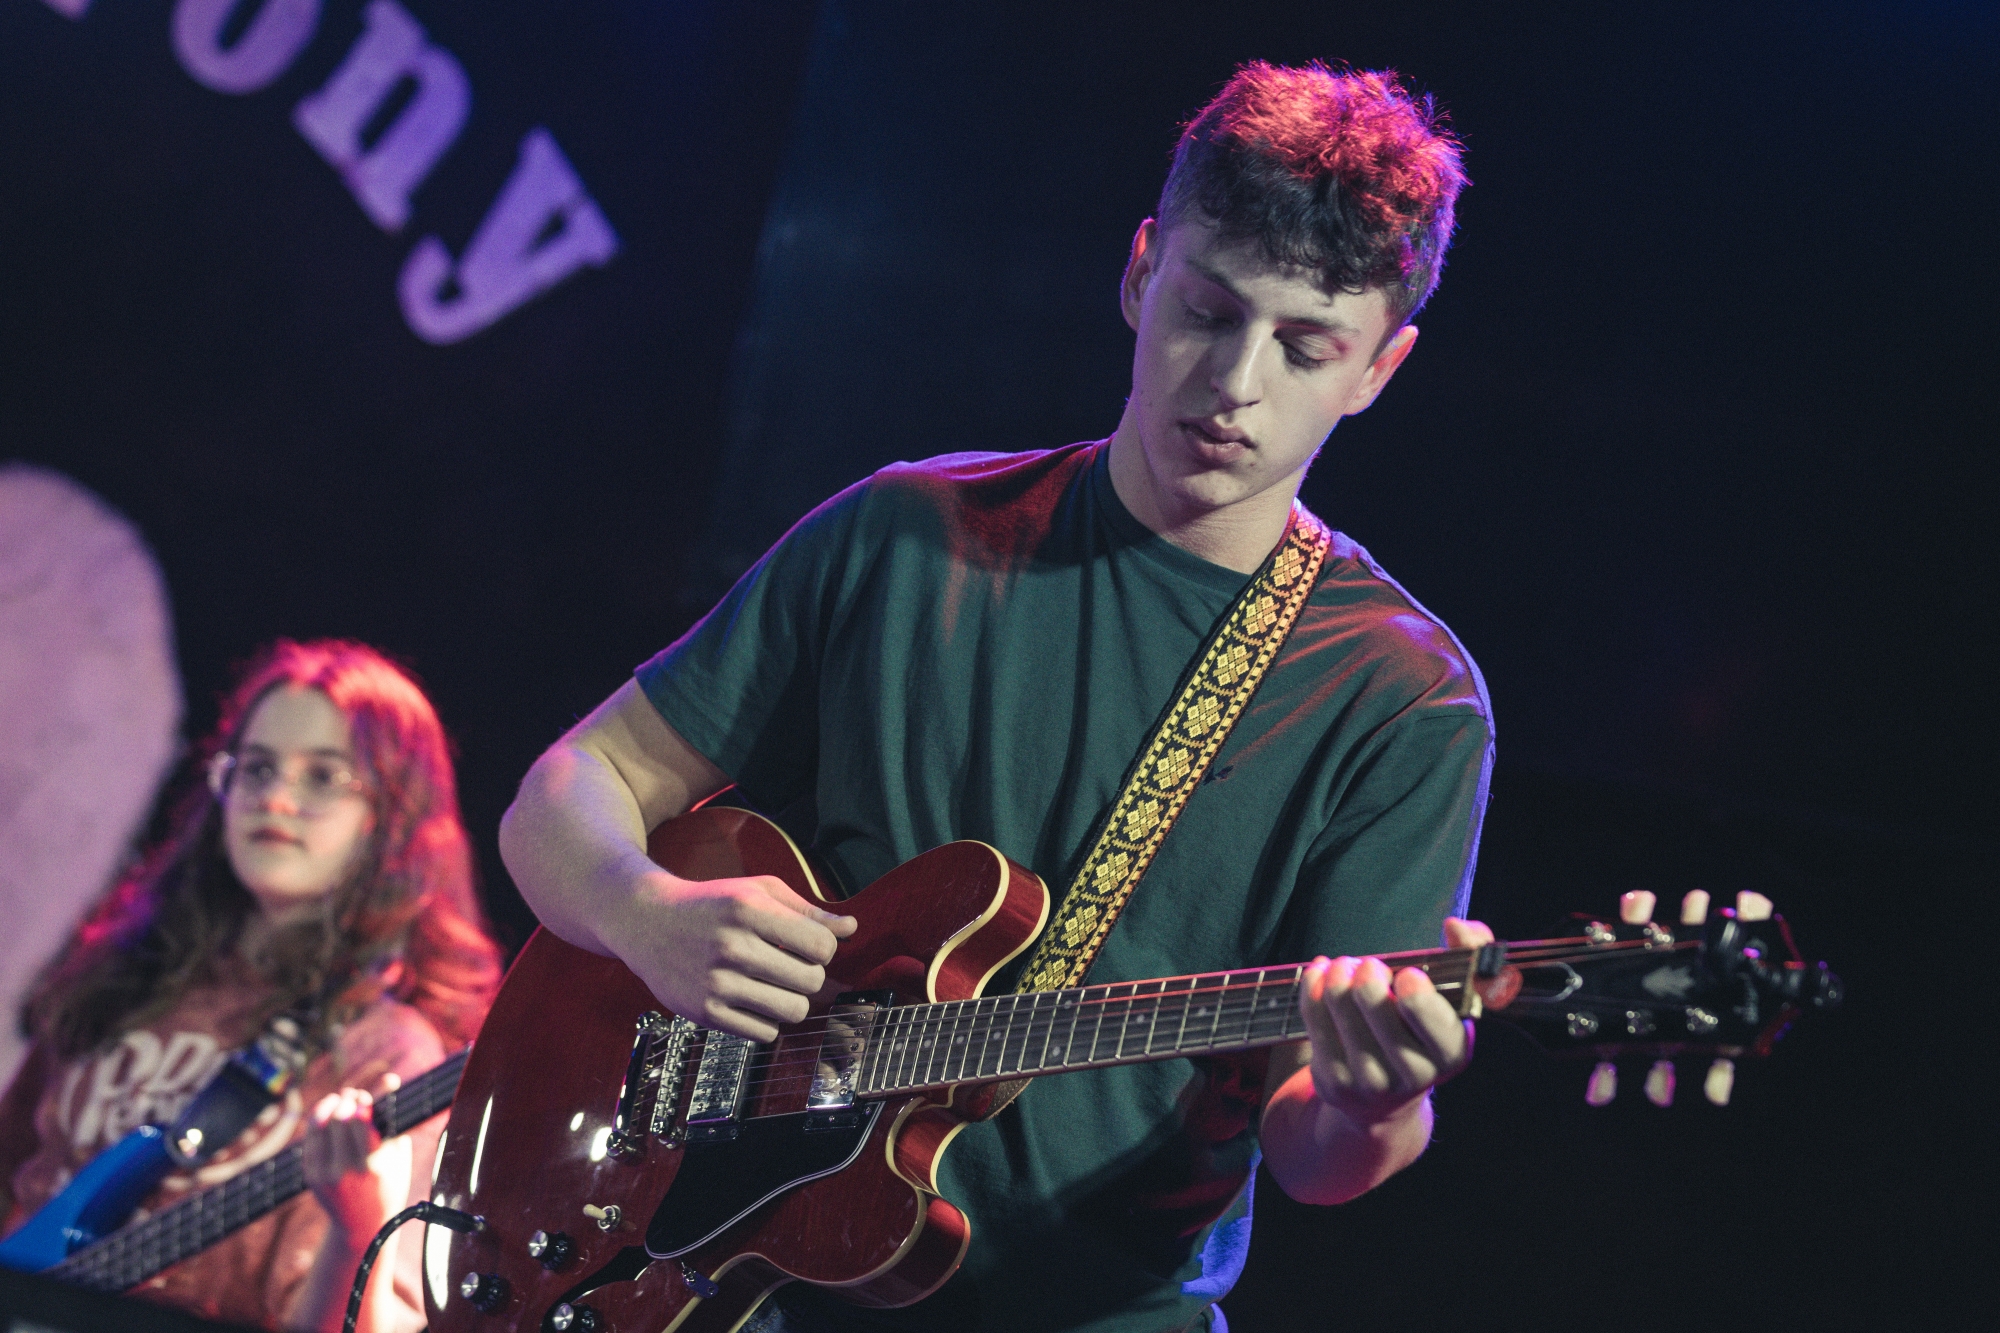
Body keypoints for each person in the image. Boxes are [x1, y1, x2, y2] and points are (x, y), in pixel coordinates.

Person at [500, 60, 1493, 1333]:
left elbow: (1315, 1156)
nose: (1234, 382)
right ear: (1140, 272)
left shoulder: (1398, 696)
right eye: (1205, 309)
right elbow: (562, 796)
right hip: (737, 1287)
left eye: (1306, 348)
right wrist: (645, 913)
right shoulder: (903, 531)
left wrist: (1374, 1101)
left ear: (1378, 370)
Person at [0, 640, 505, 1333]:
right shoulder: (117, 980)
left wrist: (356, 1230)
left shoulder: (390, 1053)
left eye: (323, 776)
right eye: (258, 767)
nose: (276, 796)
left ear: (392, 813)